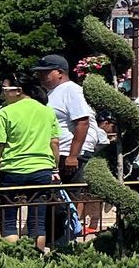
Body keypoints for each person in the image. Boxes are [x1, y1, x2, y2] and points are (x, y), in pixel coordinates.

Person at [35, 55, 96, 242]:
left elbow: (82, 122)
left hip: (70, 154)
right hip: (58, 153)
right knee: (55, 201)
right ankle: (55, 241)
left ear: (60, 72)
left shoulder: (71, 90)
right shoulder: (53, 92)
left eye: (46, 72)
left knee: (65, 201)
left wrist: (72, 155)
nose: (41, 76)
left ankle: (65, 242)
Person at [0, 75, 58, 251]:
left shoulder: (4, 113)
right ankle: (36, 257)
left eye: (4, 89)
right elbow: (54, 142)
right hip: (41, 169)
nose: (2, 94)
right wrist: (54, 167)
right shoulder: (47, 111)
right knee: (37, 219)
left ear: (18, 91)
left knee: (8, 219)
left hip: (12, 170)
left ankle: (14, 258)